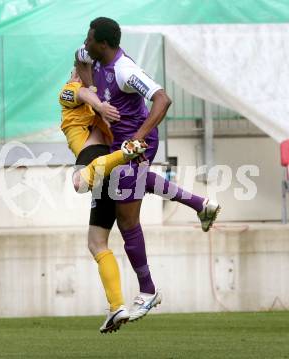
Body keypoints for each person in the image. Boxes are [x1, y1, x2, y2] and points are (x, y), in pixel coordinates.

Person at [77, 17, 221, 322]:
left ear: (102, 43)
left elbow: (162, 98)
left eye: (89, 39)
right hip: (120, 145)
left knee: (127, 220)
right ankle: (202, 205)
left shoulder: (125, 70)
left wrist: (138, 138)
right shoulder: (95, 56)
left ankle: (148, 290)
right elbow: (81, 63)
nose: (85, 43)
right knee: (138, 188)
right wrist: (85, 77)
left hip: (135, 145)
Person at [59, 67, 146, 333]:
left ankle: (125, 153)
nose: (73, 73)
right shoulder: (80, 94)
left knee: (78, 182)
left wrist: (100, 105)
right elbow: (87, 95)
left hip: (95, 156)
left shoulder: (72, 88)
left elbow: (85, 92)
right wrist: (103, 107)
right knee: (96, 243)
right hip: (106, 168)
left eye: (77, 68)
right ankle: (117, 306)